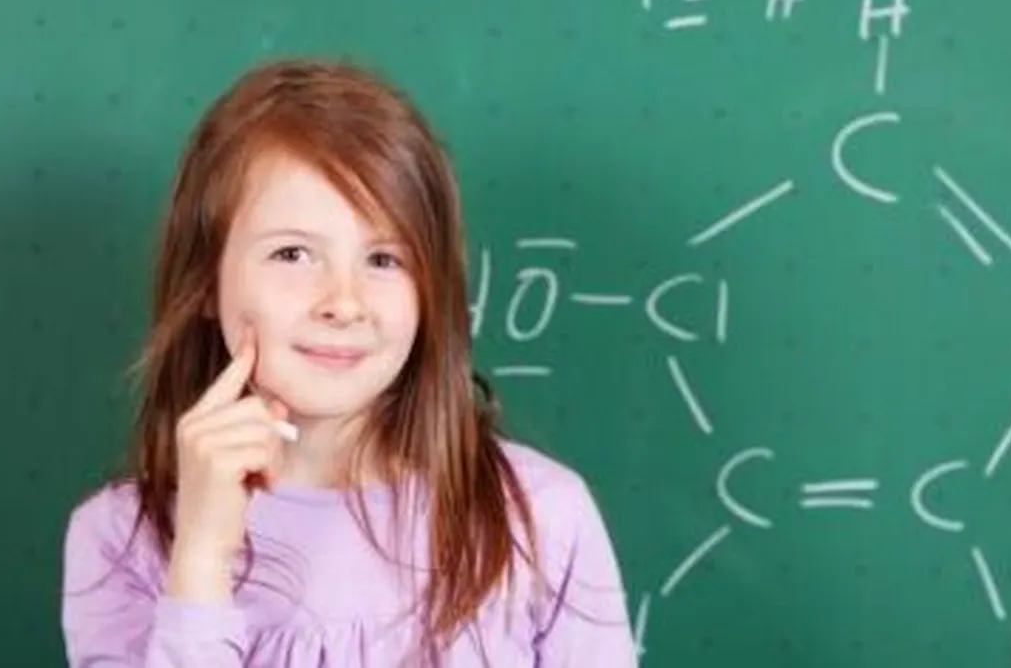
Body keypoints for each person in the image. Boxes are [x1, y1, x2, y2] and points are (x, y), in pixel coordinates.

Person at [59, 58, 638, 667]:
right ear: (206, 281)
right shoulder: (119, 540)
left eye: (384, 260)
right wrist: (200, 564)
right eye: (292, 254)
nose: (344, 302)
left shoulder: (539, 515)